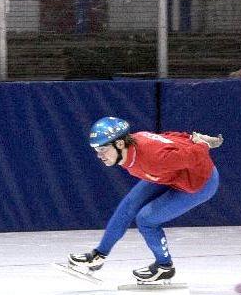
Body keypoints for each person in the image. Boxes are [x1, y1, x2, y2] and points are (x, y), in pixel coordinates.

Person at [68, 116, 223, 283]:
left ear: (120, 144)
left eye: (103, 149)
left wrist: (202, 143)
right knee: (129, 205)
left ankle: (164, 267)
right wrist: (189, 137)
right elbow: (168, 139)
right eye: (96, 150)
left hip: (200, 182)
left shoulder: (152, 160)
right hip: (169, 173)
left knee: (146, 219)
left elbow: (193, 156)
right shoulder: (134, 144)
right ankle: (99, 255)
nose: (99, 155)